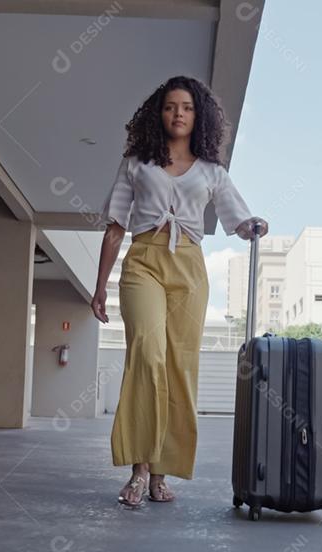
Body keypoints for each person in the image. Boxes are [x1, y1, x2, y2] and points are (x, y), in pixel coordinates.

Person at [91, 76, 268, 507]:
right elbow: (116, 227)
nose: (178, 114)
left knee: (179, 368)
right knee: (147, 356)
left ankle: (161, 473)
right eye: (171, 106)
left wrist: (253, 227)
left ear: (198, 116)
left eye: (186, 107)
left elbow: (238, 219)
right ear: (159, 112)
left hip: (189, 264)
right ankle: (139, 468)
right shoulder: (135, 163)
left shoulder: (212, 172)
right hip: (144, 260)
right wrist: (100, 288)